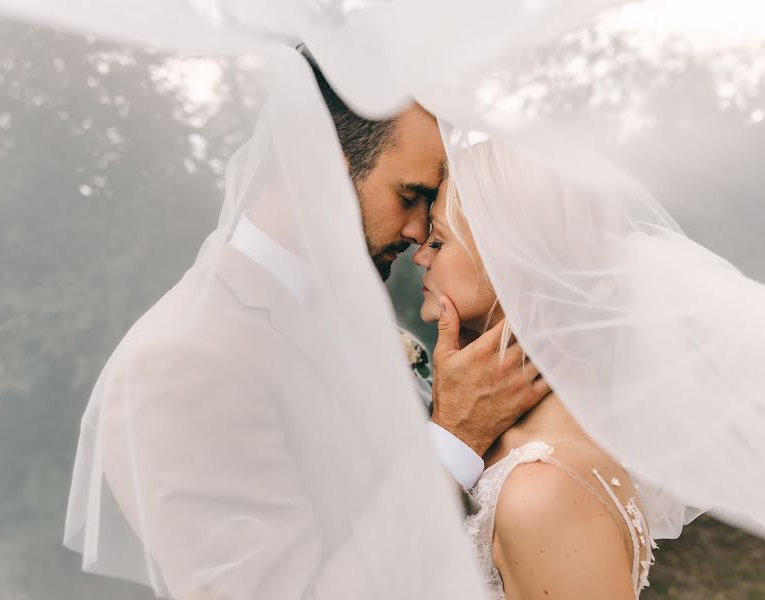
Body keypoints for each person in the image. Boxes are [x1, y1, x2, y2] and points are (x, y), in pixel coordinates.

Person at [64, 46, 549, 599]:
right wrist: (454, 438)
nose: (420, 231)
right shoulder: (182, 359)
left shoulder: (354, 310)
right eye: (410, 195)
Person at [413, 157, 653, 599]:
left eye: (439, 240)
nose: (420, 256)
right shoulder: (504, 444)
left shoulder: (545, 488)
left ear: (509, 260)